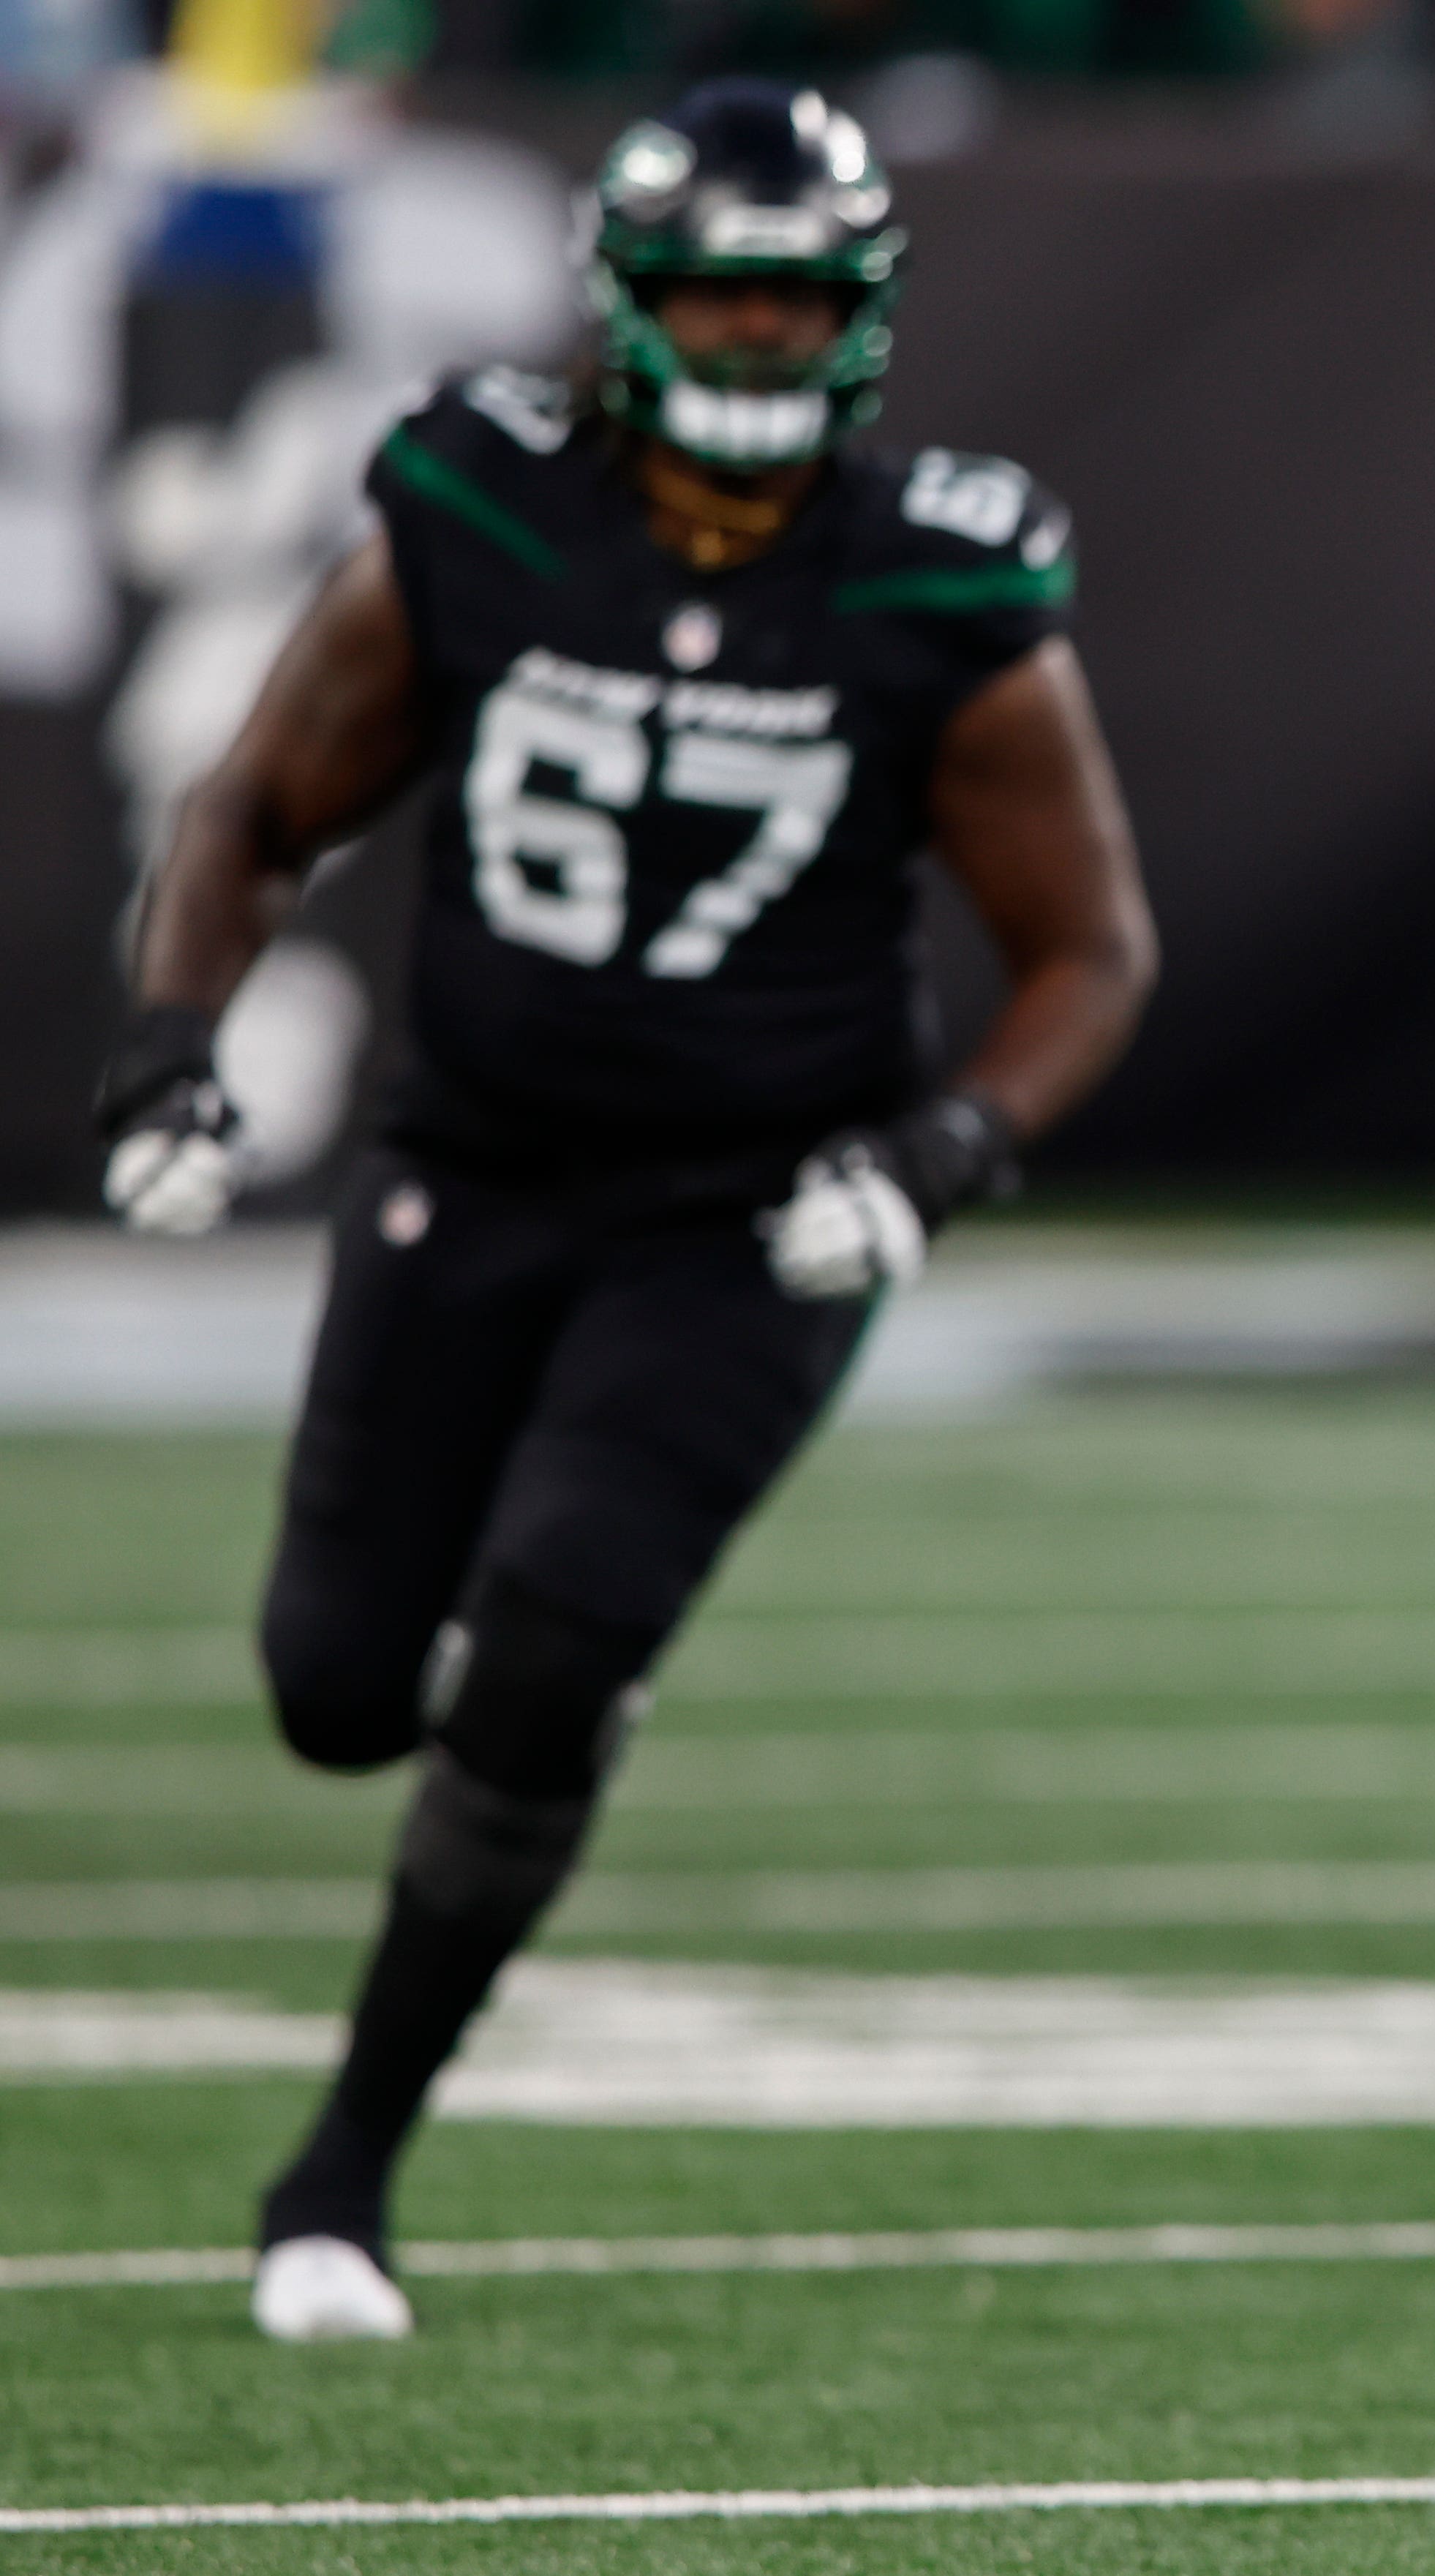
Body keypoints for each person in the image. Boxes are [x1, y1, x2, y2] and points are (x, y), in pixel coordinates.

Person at [89, 78, 1156, 2344]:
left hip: (751, 1216)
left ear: (858, 323)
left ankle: (345, 2163)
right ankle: (516, 1731)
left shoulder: (928, 576)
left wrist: (936, 1156)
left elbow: (1089, 949)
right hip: (466, 1168)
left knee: (557, 1632)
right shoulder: (480, 505)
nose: (759, 348)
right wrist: (173, 1042)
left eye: (800, 308)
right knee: (331, 1691)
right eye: (720, 303)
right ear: (633, 308)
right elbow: (256, 801)